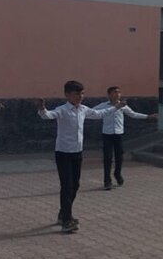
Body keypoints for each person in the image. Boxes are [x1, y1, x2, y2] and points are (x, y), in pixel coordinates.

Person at [38, 81, 123, 233]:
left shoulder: (83, 109)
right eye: (77, 94)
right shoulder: (62, 110)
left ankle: (63, 213)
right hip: (63, 153)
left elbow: (99, 114)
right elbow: (48, 115)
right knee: (67, 186)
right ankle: (66, 220)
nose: (80, 97)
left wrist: (116, 107)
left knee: (75, 185)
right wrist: (42, 109)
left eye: (82, 93)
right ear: (67, 95)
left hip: (77, 153)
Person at [93, 86, 157, 190]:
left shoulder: (123, 106)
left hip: (118, 134)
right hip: (107, 134)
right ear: (109, 95)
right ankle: (107, 181)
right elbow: (92, 112)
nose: (117, 94)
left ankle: (117, 173)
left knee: (119, 156)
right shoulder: (103, 106)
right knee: (107, 157)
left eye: (119, 92)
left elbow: (133, 114)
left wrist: (147, 116)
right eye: (115, 92)